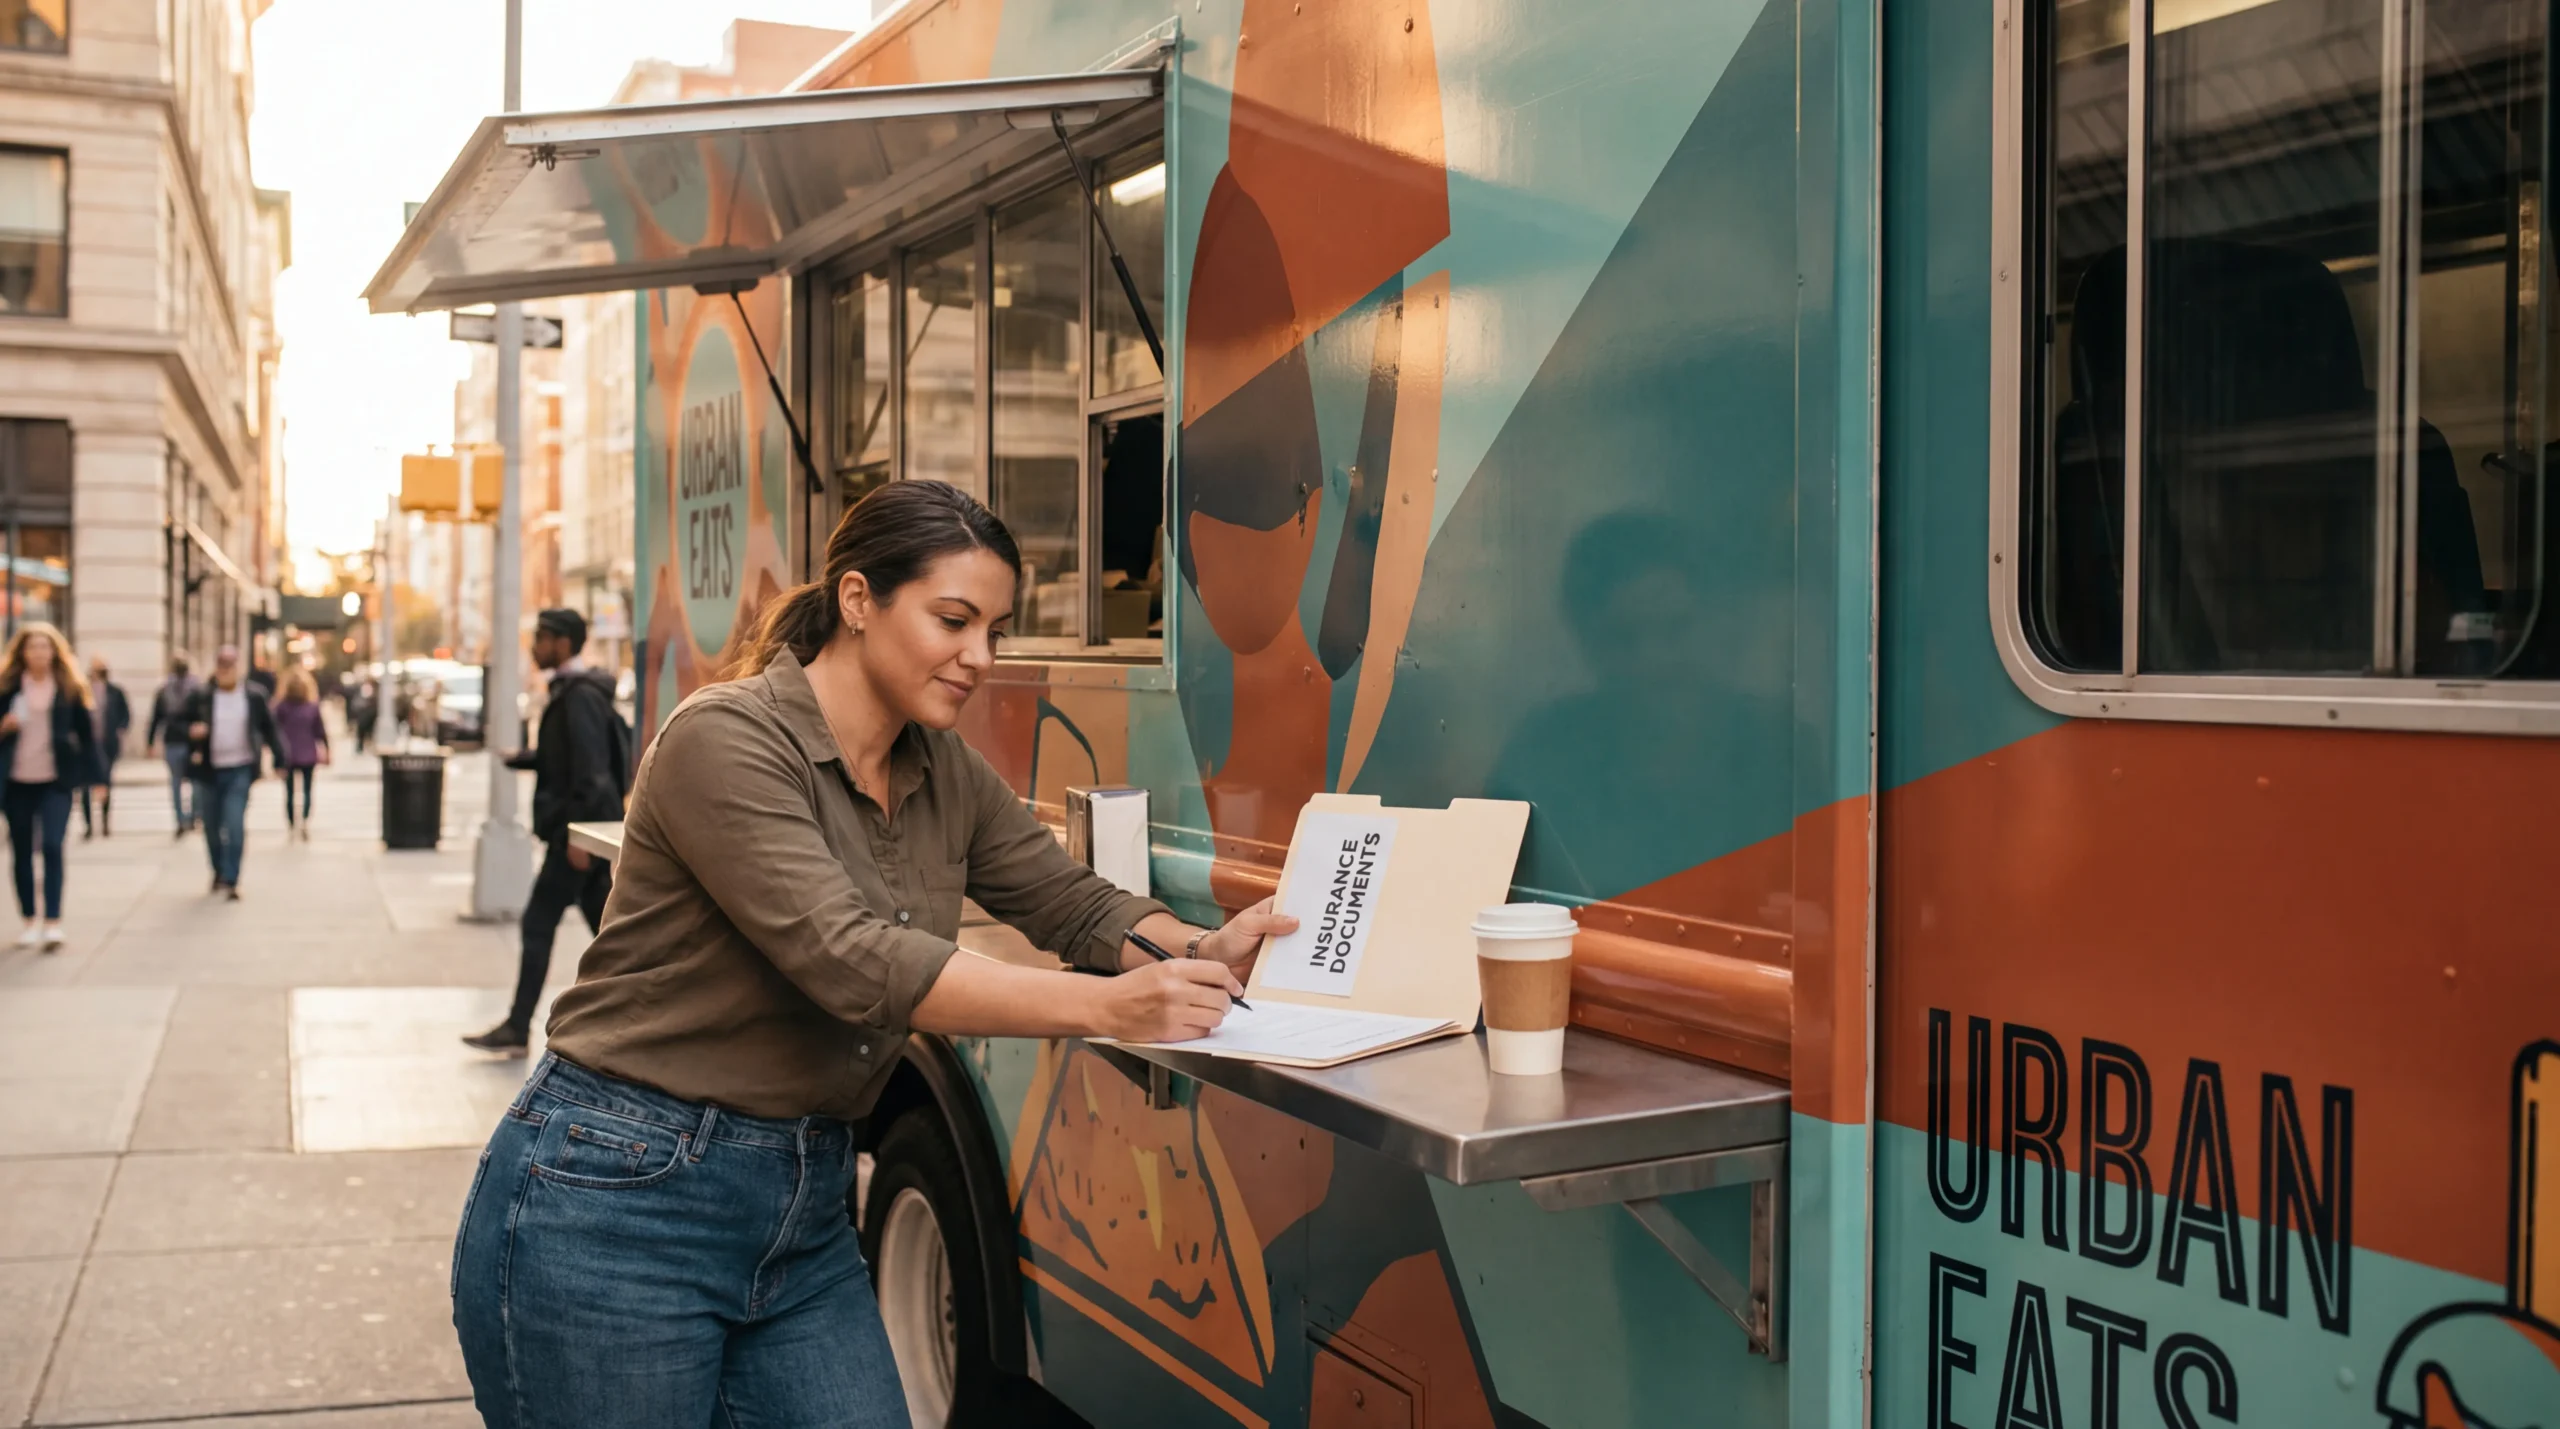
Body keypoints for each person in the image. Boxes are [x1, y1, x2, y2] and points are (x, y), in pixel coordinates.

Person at [451, 481, 1296, 1423]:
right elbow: (853, 958)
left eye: (995, 631)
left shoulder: (941, 767)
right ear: (858, 599)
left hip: (803, 1209)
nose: (981, 657)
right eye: (953, 621)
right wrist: (1106, 1008)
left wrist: (1199, 944)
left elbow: (1068, 899)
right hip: (617, 1199)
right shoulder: (724, 737)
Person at [462, 609, 625, 1053]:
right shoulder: (573, 692)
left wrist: (577, 837)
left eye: (542, 638)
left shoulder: (578, 697)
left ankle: (518, 1027)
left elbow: (591, 773)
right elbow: (568, 759)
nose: (535, 647)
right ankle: (645, 1015)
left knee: (539, 923)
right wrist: (523, 758)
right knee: (612, 936)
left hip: (575, 835)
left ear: (563, 643)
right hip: (578, 833)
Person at [0, 624, 96, 950]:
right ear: (22, 653)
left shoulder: (68, 687)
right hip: (16, 781)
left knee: (54, 845)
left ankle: (53, 920)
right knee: (21, 851)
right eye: (33, 647)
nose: (39, 652)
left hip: (56, 781)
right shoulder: (8, 688)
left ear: (55, 652)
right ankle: (29, 919)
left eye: (45, 646)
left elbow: (87, 736)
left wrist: (97, 779)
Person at [183, 645, 284, 900]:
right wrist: (192, 732)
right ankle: (218, 869)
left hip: (240, 768)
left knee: (234, 823)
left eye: (230, 665)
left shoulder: (253, 696)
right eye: (221, 664)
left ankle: (232, 877)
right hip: (209, 770)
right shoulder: (202, 696)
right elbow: (177, 723)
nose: (225, 670)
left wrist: (280, 759)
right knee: (211, 827)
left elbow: (270, 728)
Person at [144, 654, 199, 837]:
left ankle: (180, 819)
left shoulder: (164, 690)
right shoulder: (196, 689)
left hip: (172, 741)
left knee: (176, 783)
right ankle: (192, 816)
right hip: (191, 741)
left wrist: (150, 742)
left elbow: (155, 718)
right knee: (195, 781)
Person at [271, 668, 328, 841]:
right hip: (307, 754)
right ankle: (304, 820)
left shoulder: (281, 707)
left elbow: (273, 731)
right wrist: (326, 750)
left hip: (288, 754)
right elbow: (320, 732)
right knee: (307, 790)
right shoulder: (311, 707)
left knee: (289, 792)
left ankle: (291, 824)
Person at [79, 656, 129, 840]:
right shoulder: (82, 690)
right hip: (87, 745)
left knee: (106, 783)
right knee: (85, 786)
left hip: (107, 744)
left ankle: (105, 822)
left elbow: (125, 714)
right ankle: (89, 825)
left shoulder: (115, 691)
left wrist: (120, 729)